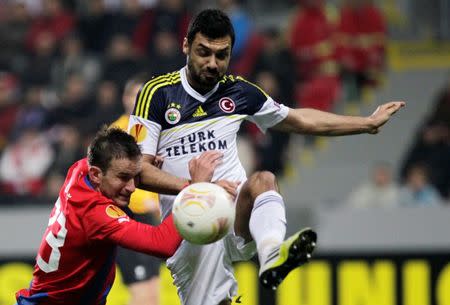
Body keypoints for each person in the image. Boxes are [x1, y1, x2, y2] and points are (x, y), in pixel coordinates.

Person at [128, 9, 405, 305]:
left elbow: (300, 120)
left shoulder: (239, 92)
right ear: (186, 46)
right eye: (203, 52)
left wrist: (366, 123)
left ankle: (272, 254)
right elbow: (137, 171)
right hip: (190, 226)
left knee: (263, 180)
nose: (212, 63)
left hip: (236, 214)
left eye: (221, 55)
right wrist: (197, 187)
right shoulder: (156, 94)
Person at [14, 127, 221, 305]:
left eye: (135, 177)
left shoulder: (80, 170)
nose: (132, 187)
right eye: (123, 178)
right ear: (96, 174)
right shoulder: (97, 214)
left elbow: (126, 172)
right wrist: (195, 191)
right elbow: (162, 244)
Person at [111, 75, 162, 305]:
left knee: (153, 288)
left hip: (149, 219)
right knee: (141, 291)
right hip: (128, 218)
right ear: (125, 98)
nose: (138, 101)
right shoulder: (117, 134)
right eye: (134, 95)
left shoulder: (153, 132)